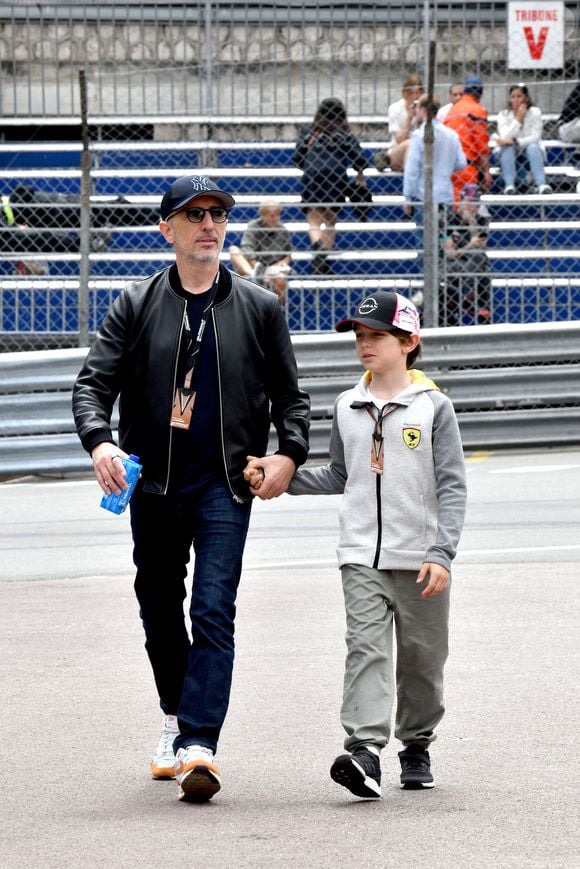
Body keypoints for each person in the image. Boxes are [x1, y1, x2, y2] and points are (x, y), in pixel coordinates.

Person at [72, 174, 310, 804]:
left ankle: (200, 744)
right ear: (167, 229)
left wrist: (287, 454)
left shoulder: (260, 308)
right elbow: (92, 385)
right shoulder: (136, 303)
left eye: (218, 214)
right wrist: (101, 442)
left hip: (224, 487)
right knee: (156, 602)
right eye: (194, 213)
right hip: (152, 487)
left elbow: (292, 400)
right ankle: (176, 715)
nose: (209, 224)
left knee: (212, 608)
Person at [245, 290, 466, 799]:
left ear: (409, 342)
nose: (365, 345)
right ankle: (365, 751)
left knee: (423, 661)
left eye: (377, 336)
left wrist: (442, 552)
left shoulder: (435, 407)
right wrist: (281, 476)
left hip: (421, 559)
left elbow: (453, 485)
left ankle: (417, 744)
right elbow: (340, 475)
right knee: (365, 650)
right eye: (360, 336)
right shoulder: (347, 405)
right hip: (359, 555)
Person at [292, 97, 369, 275]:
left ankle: (318, 248)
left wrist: (309, 165)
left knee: (313, 217)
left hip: (313, 174)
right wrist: (360, 176)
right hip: (336, 175)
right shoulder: (344, 132)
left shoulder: (311, 132)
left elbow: (297, 157)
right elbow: (360, 158)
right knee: (331, 219)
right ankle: (323, 260)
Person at [403, 96, 467, 215]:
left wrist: (408, 196)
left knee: (424, 231)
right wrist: (445, 168)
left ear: (423, 110)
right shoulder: (452, 135)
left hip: (423, 194)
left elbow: (412, 169)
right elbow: (461, 162)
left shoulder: (418, 135)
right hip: (445, 192)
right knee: (443, 231)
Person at [441, 183, 491, 325]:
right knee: (481, 268)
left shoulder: (482, 220)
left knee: (478, 259)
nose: (471, 207)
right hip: (453, 265)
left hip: (474, 263)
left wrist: (471, 223)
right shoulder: (449, 218)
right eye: (469, 202)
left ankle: (469, 300)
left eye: (475, 203)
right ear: (461, 200)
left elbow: (480, 248)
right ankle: (472, 301)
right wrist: (469, 245)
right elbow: (450, 253)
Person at [229, 199, 293, 303]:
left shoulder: (282, 230)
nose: (275, 219)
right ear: (262, 215)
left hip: (272, 267)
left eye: (278, 215)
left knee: (280, 279)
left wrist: (282, 263)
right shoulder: (253, 226)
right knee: (233, 250)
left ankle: (277, 311)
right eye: (272, 216)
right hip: (252, 266)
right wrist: (257, 268)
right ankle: (255, 277)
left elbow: (288, 254)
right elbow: (247, 248)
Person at [494, 84, 551, 194]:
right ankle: (509, 185)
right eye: (513, 97)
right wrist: (518, 119)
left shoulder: (535, 112)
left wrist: (517, 141)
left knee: (533, 147)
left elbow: (536, 136)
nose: (516, 100)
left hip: (530, 151)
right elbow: (505, 136)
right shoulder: (503, 114)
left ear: (526, 98)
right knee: (508, 148)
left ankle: (541, 185)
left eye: (519, 96)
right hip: (509, 151)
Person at [444, 75, 492, 200]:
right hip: (467, 168)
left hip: (448, 167)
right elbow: (481, 145)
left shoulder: (452, 110)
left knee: (453, 206)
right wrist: (486, 172)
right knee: (471, 205)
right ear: (480, 94)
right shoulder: (477, 110)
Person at [374, 75, 424, 173]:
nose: (415, 97)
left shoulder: (424, 109)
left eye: (418, 93)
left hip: (421, 151)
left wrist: (419, 119)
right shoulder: (395, 108)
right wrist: (409, 119)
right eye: (411, 93)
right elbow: (400, 140)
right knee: (410, 144)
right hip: (399, 152)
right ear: (405, 93)